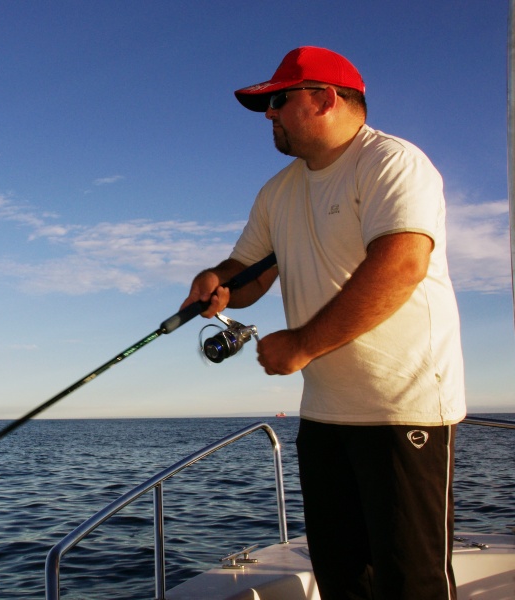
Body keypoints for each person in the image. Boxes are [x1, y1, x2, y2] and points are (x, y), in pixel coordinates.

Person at [181, 46, 466, 600]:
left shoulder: (393, 163)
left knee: (411, 583)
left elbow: (402, 264)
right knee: (341, 580)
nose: (269, 115)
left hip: (401, 410)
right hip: (325, 417)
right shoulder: (278, 191)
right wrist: (216, 282)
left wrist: (303, 344)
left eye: (278, 101)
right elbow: (249, 273)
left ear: (324, 98)